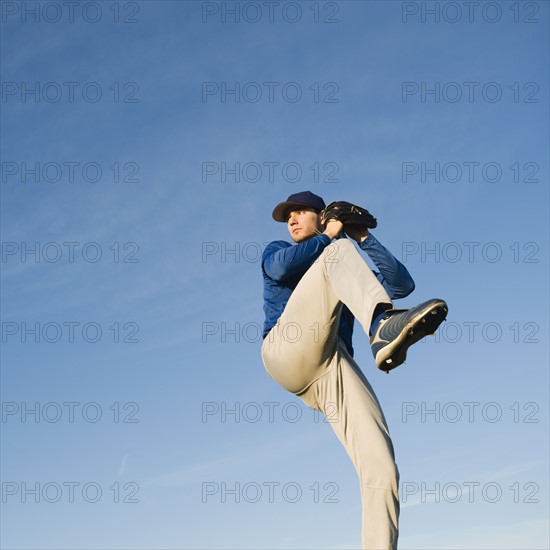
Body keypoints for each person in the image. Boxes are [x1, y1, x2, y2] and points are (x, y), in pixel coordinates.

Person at [260, 191, 448, 550]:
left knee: (381, 466)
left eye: (300, 212)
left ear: (322, 214)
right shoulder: (279, 250)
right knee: (336, 254)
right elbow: (282, 269)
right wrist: (332, 236)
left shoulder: (341, 259)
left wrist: (362, 236)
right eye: (289, 216)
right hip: (286, 348)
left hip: (332, 364)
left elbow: (401, 285)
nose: (292, 219)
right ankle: (380, 325)